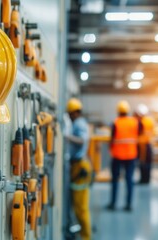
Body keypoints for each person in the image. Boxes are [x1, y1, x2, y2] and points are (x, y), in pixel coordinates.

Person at [65, 98, 92, 240]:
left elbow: (82, 140)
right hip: (78, 165)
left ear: (74, 113)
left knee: (81, 207)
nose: (69, 116)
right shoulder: (80, 122)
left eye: (70, 114)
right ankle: (84, 234)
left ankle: (86, 237)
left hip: (80, 166)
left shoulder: (79, 123)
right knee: (78, 205)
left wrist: (67, 137)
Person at [107, 100, 142, 212]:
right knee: (129, 180)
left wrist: (111, 149)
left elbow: (112, 139)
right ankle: (128, 204)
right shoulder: (135, 122)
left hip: (117, 156)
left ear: (118, 111)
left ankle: (113, 203)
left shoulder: (115, 122)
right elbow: (139, 134)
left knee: (115, 180)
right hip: (131, 155)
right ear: (128, 111)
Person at [135, 104, 154, 184]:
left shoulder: (141, 121)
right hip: (146, 144)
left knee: (144, 163)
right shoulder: (149, 121)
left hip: (143, 145)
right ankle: (146, 179)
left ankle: (144, 179)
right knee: (146, 163)